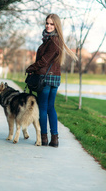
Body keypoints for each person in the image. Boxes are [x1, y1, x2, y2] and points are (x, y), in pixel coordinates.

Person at [26, 14, 77, 147]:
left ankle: (44, 138)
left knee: (43, 108)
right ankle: (54, 139)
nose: (48, 26)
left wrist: (30, 68)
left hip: (46, 79)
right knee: (50, 108)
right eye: (47, 23)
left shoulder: (53, 40)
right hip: (54, 78)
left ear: (56, 26)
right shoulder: (53, 40)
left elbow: (44, 61)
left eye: (51, 24)